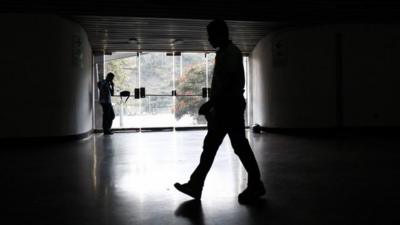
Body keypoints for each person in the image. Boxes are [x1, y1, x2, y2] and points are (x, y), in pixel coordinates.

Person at [174, 19, 265, 203]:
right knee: (220, 147)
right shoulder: (224, 53)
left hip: (229, 106)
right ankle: (196, 184)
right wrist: (214, 105)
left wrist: (211, 103)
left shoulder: (231, 53)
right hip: (226, 107)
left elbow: (229, 83)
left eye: (211, 35)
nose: (209, 39)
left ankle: (254, 184)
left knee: (235, 147)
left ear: (220, 34)